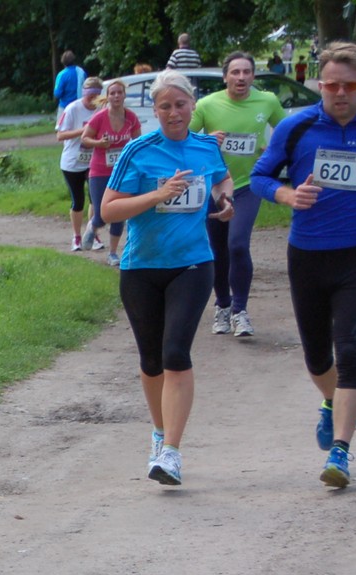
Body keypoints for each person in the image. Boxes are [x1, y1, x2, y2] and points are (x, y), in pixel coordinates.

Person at [102, 70, 235, 486]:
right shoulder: (138, 151)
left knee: (176, 352)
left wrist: (225, 198)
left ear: (192, 105)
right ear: (155, 110)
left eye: (180, 105)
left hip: (193, 264)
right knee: (151, 360)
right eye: (165, 106)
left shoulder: (205, 147)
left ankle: (172, 453)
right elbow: (108, 209)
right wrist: (158, 195)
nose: (174, 113)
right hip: (141, 268)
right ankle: (159, 433)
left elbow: (220, 176)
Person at [252, 41, 356, 488]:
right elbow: (259, 177)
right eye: (332, 85)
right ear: (319, 84)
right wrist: (287, 194)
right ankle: (331, 401)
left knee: (351, 352)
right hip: (308, 256)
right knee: (317, 358)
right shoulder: (296, 128)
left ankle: (340, 452)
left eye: (350, 85)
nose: (340, 93)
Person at [190, 51, 286, 337]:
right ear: (225, 77)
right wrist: (207, 140)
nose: (241, 77)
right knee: (217, 249)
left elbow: (287, 132)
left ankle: (240, 311)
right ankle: (222, 305)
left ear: (253, 76)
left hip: (247, 185)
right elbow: (184, 140)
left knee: (238, 245)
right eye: (235, 72)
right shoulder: (207, 104)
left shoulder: (267, 101)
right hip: (214, 186)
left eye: (246, 72)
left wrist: (273, 152)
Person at [81, 77, 142, 267]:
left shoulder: (131, 117)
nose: (116, 96)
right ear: (107, 97)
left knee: (119, 213)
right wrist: (99, 143)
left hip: (122, 171)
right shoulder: (99, 117)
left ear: (124, 96)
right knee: (101, 213)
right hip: (100, 170)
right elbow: (84, 139)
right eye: (112, 93)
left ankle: (113, 253)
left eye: (119, 93)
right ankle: (93, 225)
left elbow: (138, 142)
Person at [56, 76, 103, 252]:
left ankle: (92, 233)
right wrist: (84, 131)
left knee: (95, 199)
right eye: (90, 96)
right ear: (84, 94)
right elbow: (60, 136)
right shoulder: (72, 109)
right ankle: (76, 237)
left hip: (94, 161)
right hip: (72, 162)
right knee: (78, 201)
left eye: (96, 96)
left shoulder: (102, 109)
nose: (92, 100)